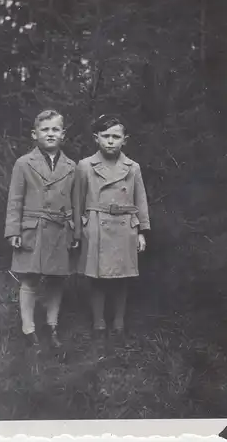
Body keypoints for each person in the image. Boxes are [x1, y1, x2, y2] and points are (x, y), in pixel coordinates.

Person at [73, 114, 150, 341]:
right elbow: (77, 201)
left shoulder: (132, 167)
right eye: (105, 136)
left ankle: (119, 323)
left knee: (121, 277)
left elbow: (141, 200)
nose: (110, 141)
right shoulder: (85, 165)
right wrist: (80, 230)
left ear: (124, 140)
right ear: (96, 138)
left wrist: (142, 232)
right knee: (96, 277)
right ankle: (98, 323)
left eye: (116, 136)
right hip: (96, 225)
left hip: (125, 226)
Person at [5, 109, 76, 348]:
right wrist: (13, 231)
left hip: (59, 229)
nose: (50, 134)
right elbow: (15, 200)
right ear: (35, 134)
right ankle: (28, 329)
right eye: (45, 130)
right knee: (30, 279)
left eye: (55, 129)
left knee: (56, 279)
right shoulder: (24, 163)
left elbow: (74, 203)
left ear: (63, 134)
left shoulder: (71, 166)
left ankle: (51, 326)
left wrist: (74, 231)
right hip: (32, 228)